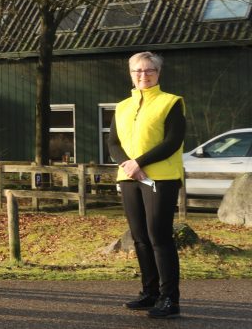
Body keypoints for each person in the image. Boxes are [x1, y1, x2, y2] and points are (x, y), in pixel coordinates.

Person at [108, 51, 185, 319]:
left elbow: (172, 142)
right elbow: (113, 144)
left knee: (159, 237)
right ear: (130, 74)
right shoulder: (121, 107)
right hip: (129, 179)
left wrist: (138, 162)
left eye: (149, 70)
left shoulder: (171, 102)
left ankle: (169, 298)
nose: (144, 75)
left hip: (161, 178)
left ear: (158, 72)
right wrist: (128, 165)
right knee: (140, 238)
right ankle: (150, 292)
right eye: (138, 71)